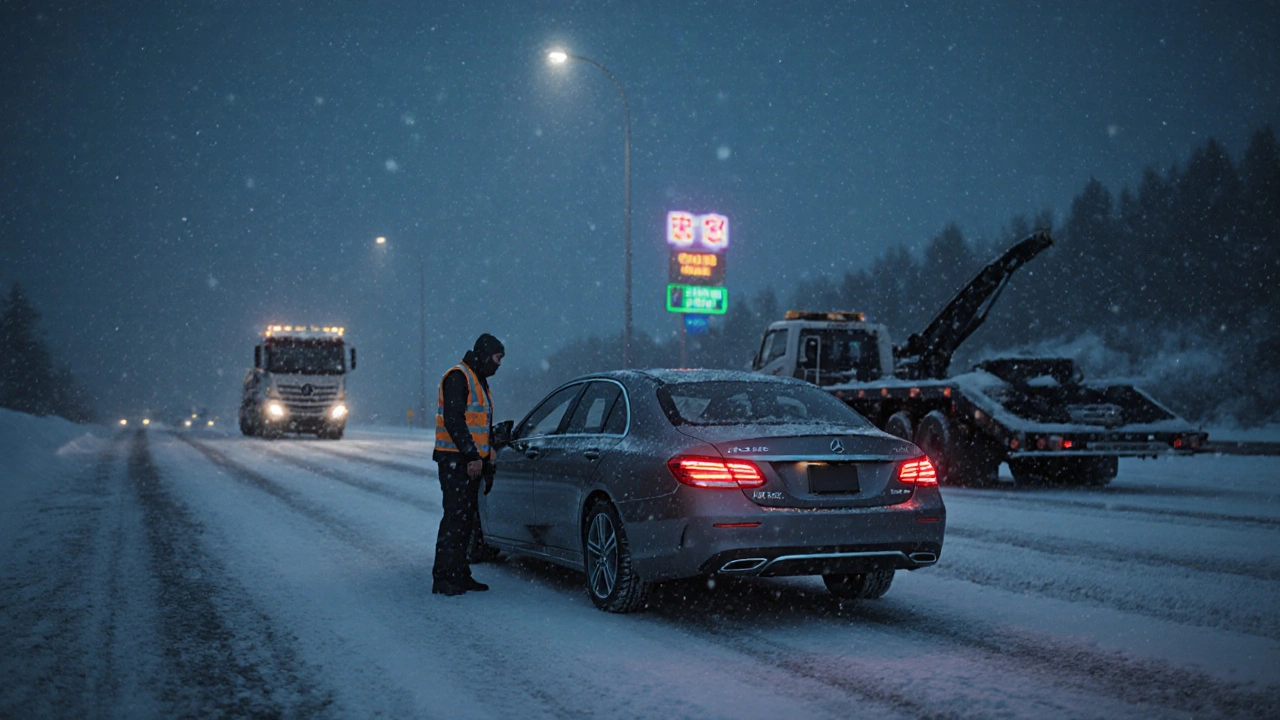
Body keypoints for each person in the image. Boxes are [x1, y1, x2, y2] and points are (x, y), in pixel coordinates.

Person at [431, 333, 504, 596]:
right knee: (454, 519)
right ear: (485, 355)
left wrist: (487, 461)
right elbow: (454, 420)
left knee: (465, 521)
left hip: (469, 461)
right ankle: (443, 577)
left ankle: (460, 574)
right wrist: (471, 455)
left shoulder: (479, 381)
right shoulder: (458, 377)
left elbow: (481, 427)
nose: (499, 364)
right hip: (455, 460)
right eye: (497, 358)